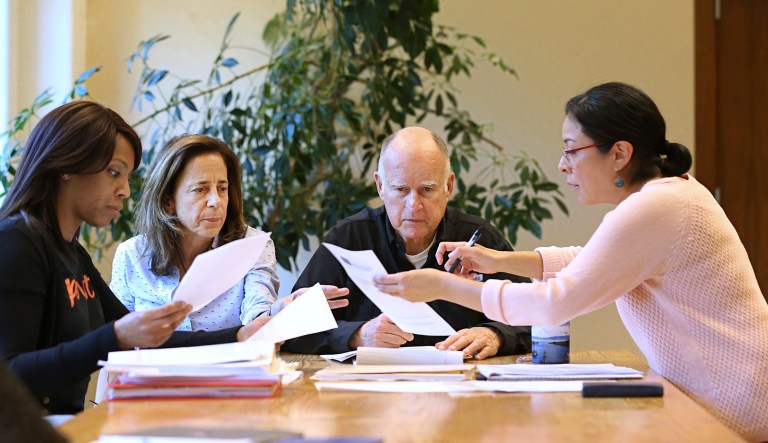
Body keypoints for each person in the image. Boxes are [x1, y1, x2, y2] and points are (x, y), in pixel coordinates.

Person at [372, 83, 768, 442]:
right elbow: (595, 261)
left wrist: (442, 285)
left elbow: (553, 304)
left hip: (732, 407)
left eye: (570, 150)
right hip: (720, 396)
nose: (563, 166)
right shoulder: (669, 194)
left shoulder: (656, 207)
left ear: (619, 154)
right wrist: (497, 260)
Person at [0, 101, 345, 415]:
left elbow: (150, 335)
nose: (124, 190)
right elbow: (10, 376)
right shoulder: (18, 242)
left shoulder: (72, 252)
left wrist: (243, 334)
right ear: (66, 165)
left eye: (128, 177)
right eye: (114, 172)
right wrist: (117, 336)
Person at [283, 127, 531, 360]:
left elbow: (534, 316)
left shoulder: (478, 238)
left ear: (449, 186)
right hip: (370, 393)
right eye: (400, 189)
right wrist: (357, 335)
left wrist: (495, 335)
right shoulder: (349, 239)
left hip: (460, 388)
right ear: (380, 186)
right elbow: (290, 326)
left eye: (426, 189)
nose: (414, 205)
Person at [110, 134, 347, 331]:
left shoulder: (253, 245)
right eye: (200, 189)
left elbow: (257, 316)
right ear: (168, 201)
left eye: (222, 188)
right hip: (150, 384)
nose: (216, 200)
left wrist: (283, 309)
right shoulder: (132, 255)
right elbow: (116, 344)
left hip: (226, 381)